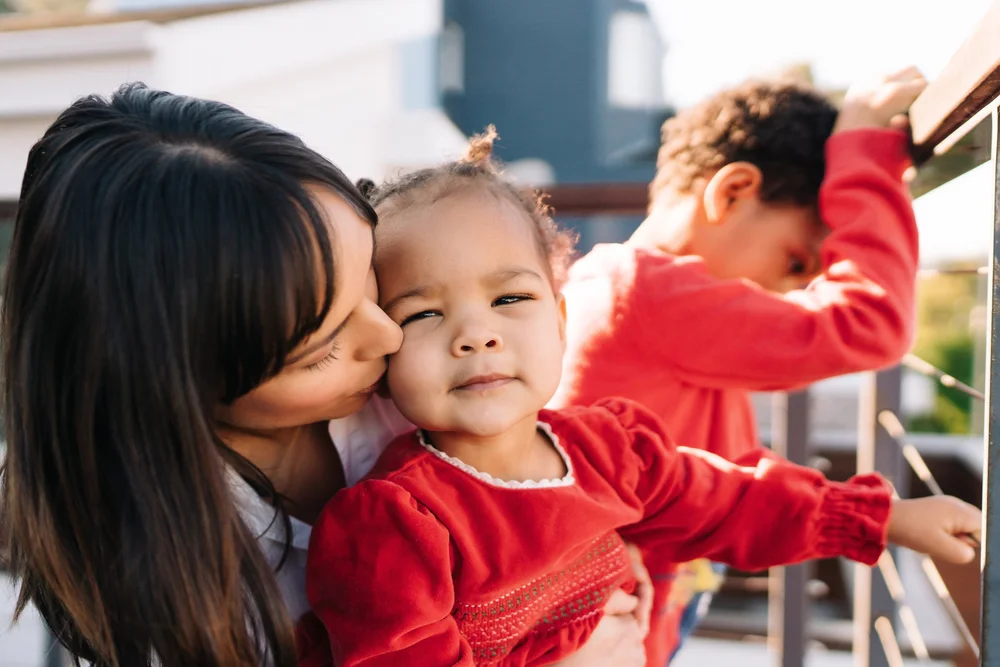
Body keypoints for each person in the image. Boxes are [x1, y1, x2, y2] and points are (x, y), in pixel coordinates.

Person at [0, 84, 650, 667]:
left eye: (372, 281)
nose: (390, 334)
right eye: (323, 344)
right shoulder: (170, 586)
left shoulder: (414, 381)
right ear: (177, 380)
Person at [298, 130, 981, 667]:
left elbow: (733, 496)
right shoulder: (394, 523)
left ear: (561, 319)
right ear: (384, 346)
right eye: (423, 313)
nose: (476, 335)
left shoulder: (606, 448)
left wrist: (880, 517)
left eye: (509, 298)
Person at [547, 68, 929, 661]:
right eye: (798, 261)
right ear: (731, 192)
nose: (793, 289)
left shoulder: (634, 292)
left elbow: (724, 467)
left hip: (646, 598)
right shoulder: (648, 293)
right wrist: (864, 151)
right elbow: (869, 323)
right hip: (610, 621)